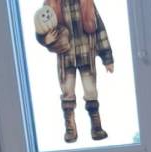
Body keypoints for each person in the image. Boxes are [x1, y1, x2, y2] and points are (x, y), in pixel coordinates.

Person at [35, 0, 114, 143]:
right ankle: (70, 127)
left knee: (91, 91)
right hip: (66, 58)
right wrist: (44, 39)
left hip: (86, 55)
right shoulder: (51, 4)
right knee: (67, 92)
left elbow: (99, 29)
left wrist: (107, 57)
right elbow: (41, 25)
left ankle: (96, 126)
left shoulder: (86, 3)